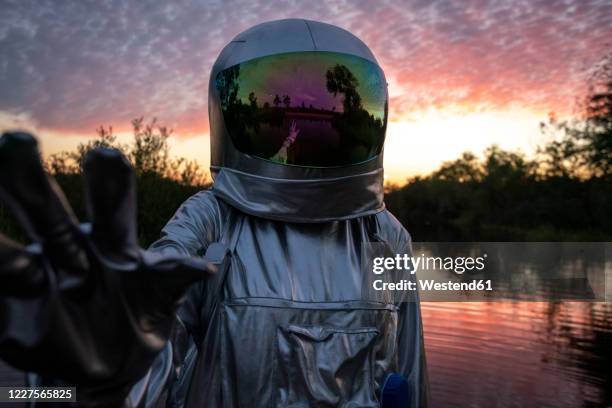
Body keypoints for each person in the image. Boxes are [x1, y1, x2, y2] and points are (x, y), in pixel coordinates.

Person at [0, 19, 428, 407]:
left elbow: (409, 370)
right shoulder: (211, 220)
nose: (309, 138)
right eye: (280, 119)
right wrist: (98, 375)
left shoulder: (385, 235)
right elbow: (155, 342)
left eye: (332, 116)